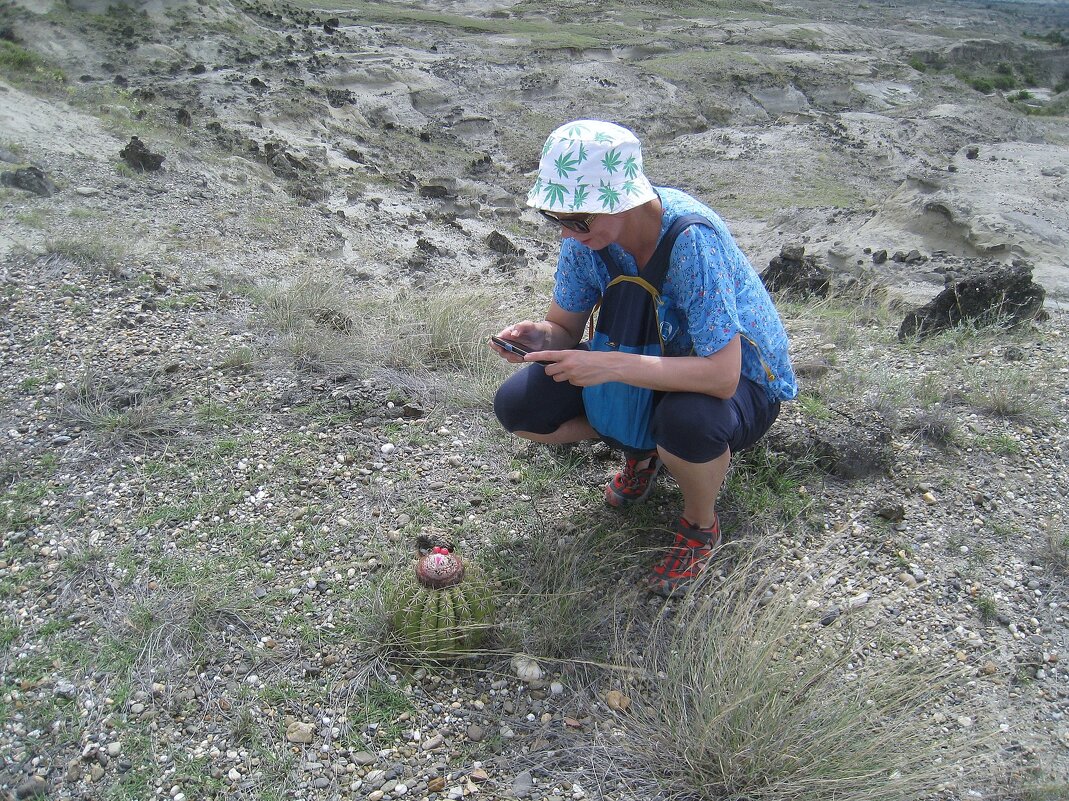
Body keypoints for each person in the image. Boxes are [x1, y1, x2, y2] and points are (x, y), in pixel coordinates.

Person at [490, 120, 797, 596]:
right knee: (519, 408)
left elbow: (721, 375)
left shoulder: (690, 239)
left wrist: (607, 367)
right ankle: (644, 450)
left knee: (687, 422)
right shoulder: (585, 243)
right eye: (558, 220)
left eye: (579, 219)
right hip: (642, 357)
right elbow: (567, 328)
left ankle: (700, 525)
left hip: (740, 386)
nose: (568, 233)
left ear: (623, 198)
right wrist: (541, 336)